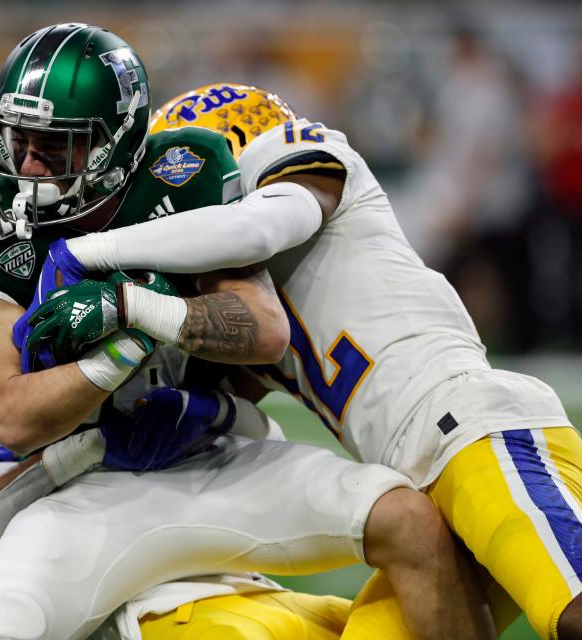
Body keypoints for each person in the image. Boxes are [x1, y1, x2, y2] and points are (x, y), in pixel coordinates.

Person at [0, 24, 492, 640]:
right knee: (1, 628)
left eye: (55, 146)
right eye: (16, 138)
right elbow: (13, 415)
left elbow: (262, 329)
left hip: (215, 457)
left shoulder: (184, 174)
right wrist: (132, 338)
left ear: (116, 145)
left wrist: (129, 306)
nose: (27, 162)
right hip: (86, 488)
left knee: (412, 522)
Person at [35, 81, 581, 639]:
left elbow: (262, 225)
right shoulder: (245, 292)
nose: (173, 194)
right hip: (424, 494)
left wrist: (91, 252)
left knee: (573, 612)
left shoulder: (296, 157)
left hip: (473, 427)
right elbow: (215, 408)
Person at [0, 334, 365, 640]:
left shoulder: (102, 426)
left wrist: (215, 411)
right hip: (160, 622)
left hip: (266, 596)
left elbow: (260, 453)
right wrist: (79, 451)